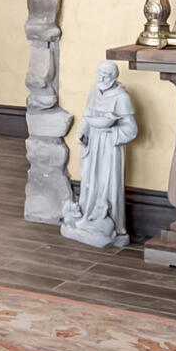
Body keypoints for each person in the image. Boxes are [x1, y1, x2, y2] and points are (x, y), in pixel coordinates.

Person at [62, 61, 138, 250]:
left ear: (114, 77)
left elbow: (132, 129)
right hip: (93, 142)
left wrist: (113, 134)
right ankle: (88, 216)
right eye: (100, 74)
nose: (101, 78)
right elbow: (88, 115)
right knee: (90, 179)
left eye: (106, 75)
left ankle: (110, 224)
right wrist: (83, 132)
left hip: (110, 147)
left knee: (107, 181)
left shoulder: (121, 97)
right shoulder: (95, 91)